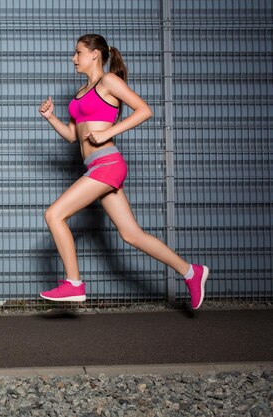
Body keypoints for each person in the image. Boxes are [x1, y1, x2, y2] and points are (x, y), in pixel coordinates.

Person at [38, 34, 209, 309]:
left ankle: (74, 284)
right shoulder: (81, 91)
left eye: (78, 52)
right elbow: (73, 136)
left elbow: (144, 110)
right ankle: (192, 272)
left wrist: (109, 131)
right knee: (131, 235)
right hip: (95, 166)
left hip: (108, 164)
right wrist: (50, 118)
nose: (73, 58)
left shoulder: (109, 82)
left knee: (54, 214)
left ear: (95, 54)